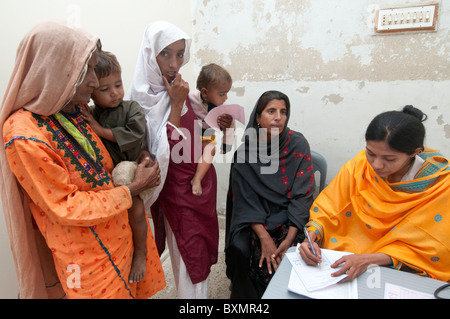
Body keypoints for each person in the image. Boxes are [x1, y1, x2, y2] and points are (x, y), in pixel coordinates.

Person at [0, 20, 165, 299]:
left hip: (122, 238)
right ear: (56, 71)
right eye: (86, 70)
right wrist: (132, 189)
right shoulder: (23, 134)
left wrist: (141, 159)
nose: (94, 80)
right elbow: (65, 206)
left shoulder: (77, 111)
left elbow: (105, 165)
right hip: (88, 261)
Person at [128, 21, 232, 299]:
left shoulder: (186, 91)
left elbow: (213, 142)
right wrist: (175, 104)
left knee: (202, 247)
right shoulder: (140, 101)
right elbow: (161, 151)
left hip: (201, 187)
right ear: (150, 54)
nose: (174, 63)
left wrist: (223, 125)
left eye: (180, 54)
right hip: (175, 193)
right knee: (188, 255)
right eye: (166, 54)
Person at [299, 106, 450, 283]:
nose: (376, 165)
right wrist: (311, 237)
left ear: (415, 152)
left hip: (395, 270)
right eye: (371, 153)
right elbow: (330, 208)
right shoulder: (359, 165)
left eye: (389, 159)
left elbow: (433, 247)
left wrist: (369, 259)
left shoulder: (440, 187)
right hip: (340, 260)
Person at [225, 90, 316, 298]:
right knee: (240, 248)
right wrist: (264, 237)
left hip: (289, 217)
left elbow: (303, 194)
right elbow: (245, 202)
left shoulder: (297, 144)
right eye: (271, 111)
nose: (278, 117)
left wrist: (289, 237)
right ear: (257, 117)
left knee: (299, 251)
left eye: (283, 112)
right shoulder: (245, 153)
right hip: (254, 220)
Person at [80, 50, 153, 284]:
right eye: (104, 89)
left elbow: (135, 135)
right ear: (91, 91)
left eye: (118, 85)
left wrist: (100, 130)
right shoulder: (91, 113)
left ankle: (140, 253)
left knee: (138, 213)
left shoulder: (131, 108)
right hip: (104, 179)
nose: (114, 94)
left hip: (129, 172)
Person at [189, 63, 233, 196]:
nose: (226, 98)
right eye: (222, 94)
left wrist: (226, 145)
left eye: (226, 93)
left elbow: (231, 126)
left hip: (206, 134)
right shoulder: (189, 97)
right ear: (204, 93)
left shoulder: (223, 110)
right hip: (189, 133)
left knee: (211, 149)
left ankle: (197, 179)